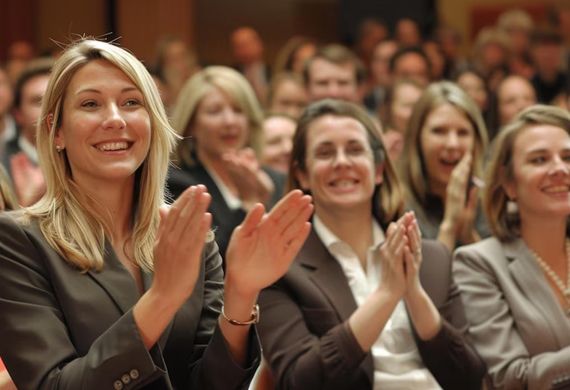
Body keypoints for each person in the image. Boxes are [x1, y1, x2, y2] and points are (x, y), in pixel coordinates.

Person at [0, 39, 313, 389]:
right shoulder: (18, 239)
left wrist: (241, 294)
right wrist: (161, 299)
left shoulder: (188, 234)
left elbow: (211, 384)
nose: (115, 119)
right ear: (56, 131)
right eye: (90, 104)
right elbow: (52, 386)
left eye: (132, 102)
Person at [257, 99, 486, 390]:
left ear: (378, 170)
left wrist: (413, 294)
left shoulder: (432, 256)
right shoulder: (280, 266)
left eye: (354, 149)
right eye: (326, 153)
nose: (342, 162)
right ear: (303, 174)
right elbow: (300, 381)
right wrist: (386, 295)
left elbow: (470, 378)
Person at [453, 105, 570, 389]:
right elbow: (507, 379)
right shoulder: (478, 263)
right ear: (509, 184)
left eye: (568, 157)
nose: (560, 169)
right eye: (539, 159)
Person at [168, 66, 285, 259]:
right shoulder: (179, 184)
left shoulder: (275, 178)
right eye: (214, 112)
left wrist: (268, 200)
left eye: (238, 110)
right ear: (192, 124)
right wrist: (248, 203)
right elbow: (211, 263)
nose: (229, 121)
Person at [399, 81, 489, 252]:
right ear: (417, 137)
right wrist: (449, 225)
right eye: (439, 131)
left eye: (462, 133)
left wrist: (467, 234)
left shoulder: (489, 202)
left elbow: (494, 278)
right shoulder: (395, 203)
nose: (452, 144)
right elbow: (427, 280)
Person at [1, 59, 53, 206]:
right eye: (38, 102)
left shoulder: (85, 157)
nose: (50, 109)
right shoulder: (2, 164)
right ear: (18, 115)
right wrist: (25, 206)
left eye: (56, 99)